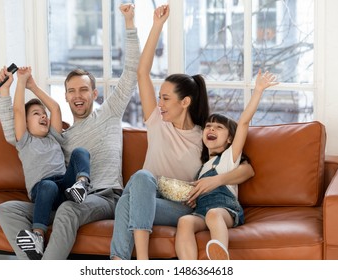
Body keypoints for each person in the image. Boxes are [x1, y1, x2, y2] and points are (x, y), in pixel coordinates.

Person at [0, 3, 139, 260]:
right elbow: (13, 132)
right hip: (63, 196)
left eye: (83, 90)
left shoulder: (109, 113)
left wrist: (129, 24)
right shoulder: (60, 137)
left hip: (103, 197)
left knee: (68, 210)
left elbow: (130, 72)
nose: (77, 96)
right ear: (66, 97)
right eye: (71, 91)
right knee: (6, 210)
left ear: (94, 94)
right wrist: (7, 90)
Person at [110, 4, 254, 260]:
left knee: (128, 198)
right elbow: (142, 72)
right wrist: (157, 26)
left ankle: (123, 262)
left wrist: (215, 181)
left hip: (179, 207)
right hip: (146, 193)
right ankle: (135, 262)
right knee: (141, 178)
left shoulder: (204, 135)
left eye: (165, 99)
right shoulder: (156, 122)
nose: (160, 104)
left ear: (185, 102)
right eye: (159, 98)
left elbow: (246, 169)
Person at [175, 70, 278, 260]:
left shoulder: (230, 158)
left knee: (214, 214)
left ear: (230, 139)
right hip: (200, 211)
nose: (211, 128)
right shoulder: (203, 167)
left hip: (224, 210)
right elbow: (196, 191)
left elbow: (244, 122)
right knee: (184, 221)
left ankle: (220, 257)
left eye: (219, 127)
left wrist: (258, 91)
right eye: (208, 126)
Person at [0, 66, 91, 259]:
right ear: (26, 124)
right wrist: (21, 82)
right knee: (47, 185)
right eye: (36, 114)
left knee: (81, 152)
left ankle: (81, 185)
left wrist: (33, 86)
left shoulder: (54, 137)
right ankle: (37, 236)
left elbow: (55, 108)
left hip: (65, 187)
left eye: (43, 113)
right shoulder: (25, 141)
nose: (43, 116)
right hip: (43, 191)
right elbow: (18, 112)